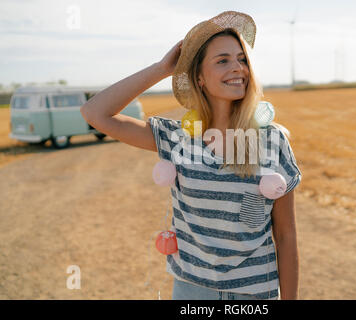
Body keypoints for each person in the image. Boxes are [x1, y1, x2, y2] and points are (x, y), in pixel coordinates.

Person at [80, 11, 302, 300]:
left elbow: (285, 235)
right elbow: (95, 113)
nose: (238, 68)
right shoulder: (177, 139)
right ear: (199, 78)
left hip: (256, 294)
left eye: (242, 59)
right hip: (192, 293)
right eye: (223, 60)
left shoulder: (272, 140)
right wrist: (161, 69)